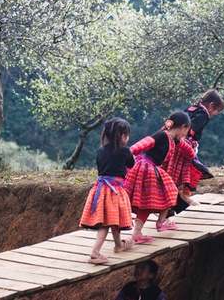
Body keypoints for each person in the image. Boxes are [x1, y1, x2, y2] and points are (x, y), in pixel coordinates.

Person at [124, 111, 195, 243]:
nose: (186, 134)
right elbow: (146, 142)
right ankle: (155, 225)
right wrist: (129, 152)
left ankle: (155, 225)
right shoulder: (162, 135)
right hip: (147, 169)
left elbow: (189, 152)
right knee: (164, 195)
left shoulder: (174, 140)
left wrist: (191, 153)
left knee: (168, 194)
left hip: (151, 169)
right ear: (183, 127)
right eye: (187, 130)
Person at [79, 118, 136, 265]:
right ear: (123, 136)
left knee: (112, 219)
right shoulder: (125, 151)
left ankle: (118, 245)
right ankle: (95, 253)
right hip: (114, 191)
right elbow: (132, 164)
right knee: (105, 223)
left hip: (100, 189)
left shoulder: (101, 151)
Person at [164, 89, 224, 208]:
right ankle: (176, 198)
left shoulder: (191, 108)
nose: (214, 114)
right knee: (189, 170)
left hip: (177, 142)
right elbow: (189, 129)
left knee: (179, 170)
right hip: (185, 146)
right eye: (216, 111)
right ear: (211, 105)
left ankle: (182, 195)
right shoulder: (204, 115)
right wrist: (183, 143)